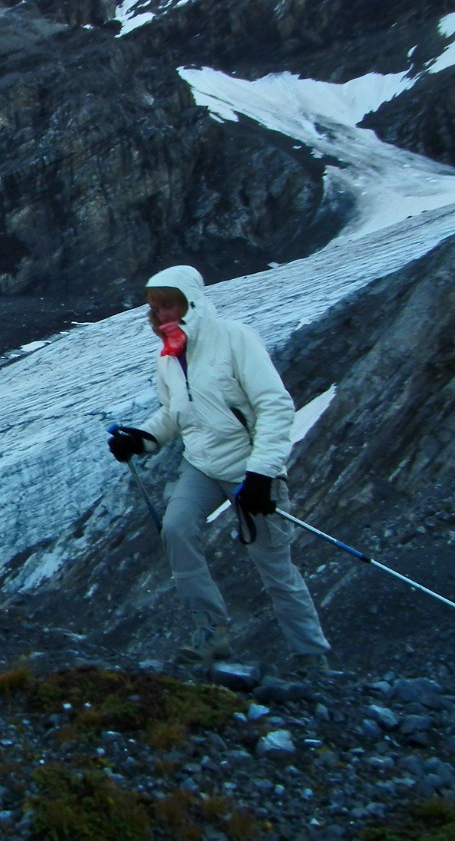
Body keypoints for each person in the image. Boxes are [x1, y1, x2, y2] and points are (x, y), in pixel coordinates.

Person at [107, 264, 331, 671]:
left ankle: (311, 657)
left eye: (168, 304)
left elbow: (274, 405)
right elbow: (176, 413)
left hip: (250, 468)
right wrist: (141, 438)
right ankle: (210, 633)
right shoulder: (169, 357)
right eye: (154, 307)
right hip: (202, 465)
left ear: (190, 302)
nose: (160, 315)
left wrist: (262, 472)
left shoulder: (234, 338)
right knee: (176, 530)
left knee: (274, 564)